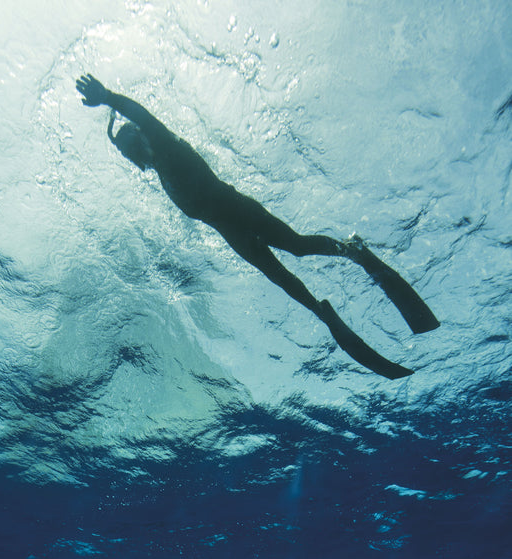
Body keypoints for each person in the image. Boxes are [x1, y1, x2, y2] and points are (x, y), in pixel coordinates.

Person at [76, 73, 440, 380]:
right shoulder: (162, 179)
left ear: (138, 138)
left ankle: (353, 250)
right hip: (232, 233)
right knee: (285, 282)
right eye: (123, 154)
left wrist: (108, 97)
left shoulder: (166, 146)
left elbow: (142, 114)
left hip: (241, 211)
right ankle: (322, 313)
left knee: (297, 246)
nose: (128, 156)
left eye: (126, 148)